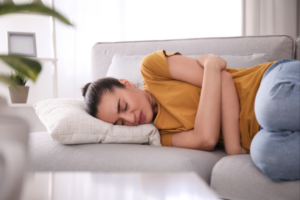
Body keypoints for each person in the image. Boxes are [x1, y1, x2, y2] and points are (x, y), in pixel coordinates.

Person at [82, 50, 300, 182]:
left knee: (269, 108)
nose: (130, 119)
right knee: (267, 157)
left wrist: (233, 147)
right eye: (120, 123)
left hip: (269, 85)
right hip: (261, 134)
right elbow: (206, 140)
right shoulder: (162, 137)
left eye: (123, 106)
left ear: (126, 84)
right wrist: (212, 69)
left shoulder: (153, 68)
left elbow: (224, 79)